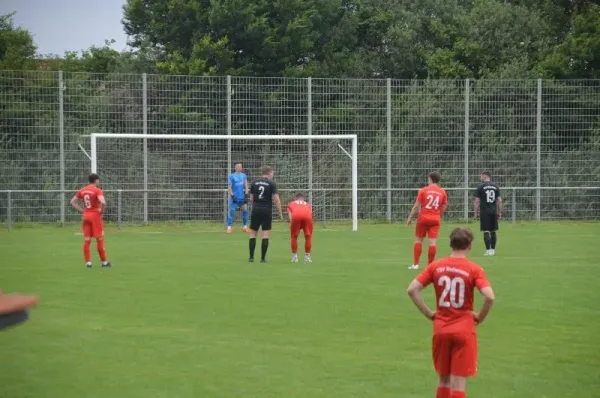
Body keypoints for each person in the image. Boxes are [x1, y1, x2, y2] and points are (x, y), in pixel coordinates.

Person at [407, 228, 495, 398]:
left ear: (450, 244)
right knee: (459, 385)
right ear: (469, 246)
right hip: (463, 329)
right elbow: (489, 297)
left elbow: (412, 290)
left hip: (441, 328)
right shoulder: (473, 269)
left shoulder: (436, 266)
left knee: (443, 380)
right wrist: (479, 317)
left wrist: (429, 313)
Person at [407, 172, 448, 269]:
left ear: (430, 179)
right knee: (433, 242)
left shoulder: (424, 190)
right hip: (435, 219)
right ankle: (430, 265)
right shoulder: (442, 192)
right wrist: (438, 215)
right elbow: (444, 206)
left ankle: (416, 264)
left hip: (423, 218)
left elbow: (417, 206)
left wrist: (410, 217)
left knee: (418, 240)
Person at [70, 173, 111, 268]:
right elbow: (103, 202)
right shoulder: (97, 190)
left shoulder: (82, 190)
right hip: (95, 216)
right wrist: (102, 211)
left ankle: (88, 263)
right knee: (100, 239)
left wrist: (82, 211)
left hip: (86, 216)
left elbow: (72, 202)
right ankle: (104, 262)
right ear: (96, 180)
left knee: (87, 240)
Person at [248, 166, 283, 263]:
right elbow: (276, 199)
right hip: (266, 210)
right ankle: (263, 259)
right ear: (269, 173)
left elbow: (251, 198)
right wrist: (280, 212)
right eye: (272, 173)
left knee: (253, 234)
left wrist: (256, 204)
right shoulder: (271, 183)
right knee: (265, 234)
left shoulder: (254, 182)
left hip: (256, 209)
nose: (273, 175)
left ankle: (251, 257)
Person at [474, 171, 502, 256]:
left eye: (481, 176)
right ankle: (493, 250)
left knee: (486, 231)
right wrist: (499, 212)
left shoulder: (480, 187)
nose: (480, 178)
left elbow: (477, 201)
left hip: (484, 212)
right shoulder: (495, 186)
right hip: (493, 212)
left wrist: (475, 212)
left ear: (485, 176)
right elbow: (499, 201)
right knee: (493, 231)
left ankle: (488, 250)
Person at [287, 193, 313, 263]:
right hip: (307, 217)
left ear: (295, 198)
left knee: (294, 236)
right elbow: (310, 214)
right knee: (308, 236)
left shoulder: (291, 204)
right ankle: (307, 257)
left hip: (296, 217)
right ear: (303, 199)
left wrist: (293, 225)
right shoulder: (308, 204)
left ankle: (295, 257)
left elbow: (290, 217)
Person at [227, 162, 249, 233]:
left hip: (242, 197)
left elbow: (246, 186)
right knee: (232, 212)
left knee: (245, 211)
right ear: (235, 167)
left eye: (241, 166)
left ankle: (245, 227)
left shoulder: (244, 176)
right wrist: (232, 196)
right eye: (239, 166)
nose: (240, 168)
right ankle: (229, 227)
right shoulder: (231, 176)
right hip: (235, 197)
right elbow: (229, 187)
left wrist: (246, 195)